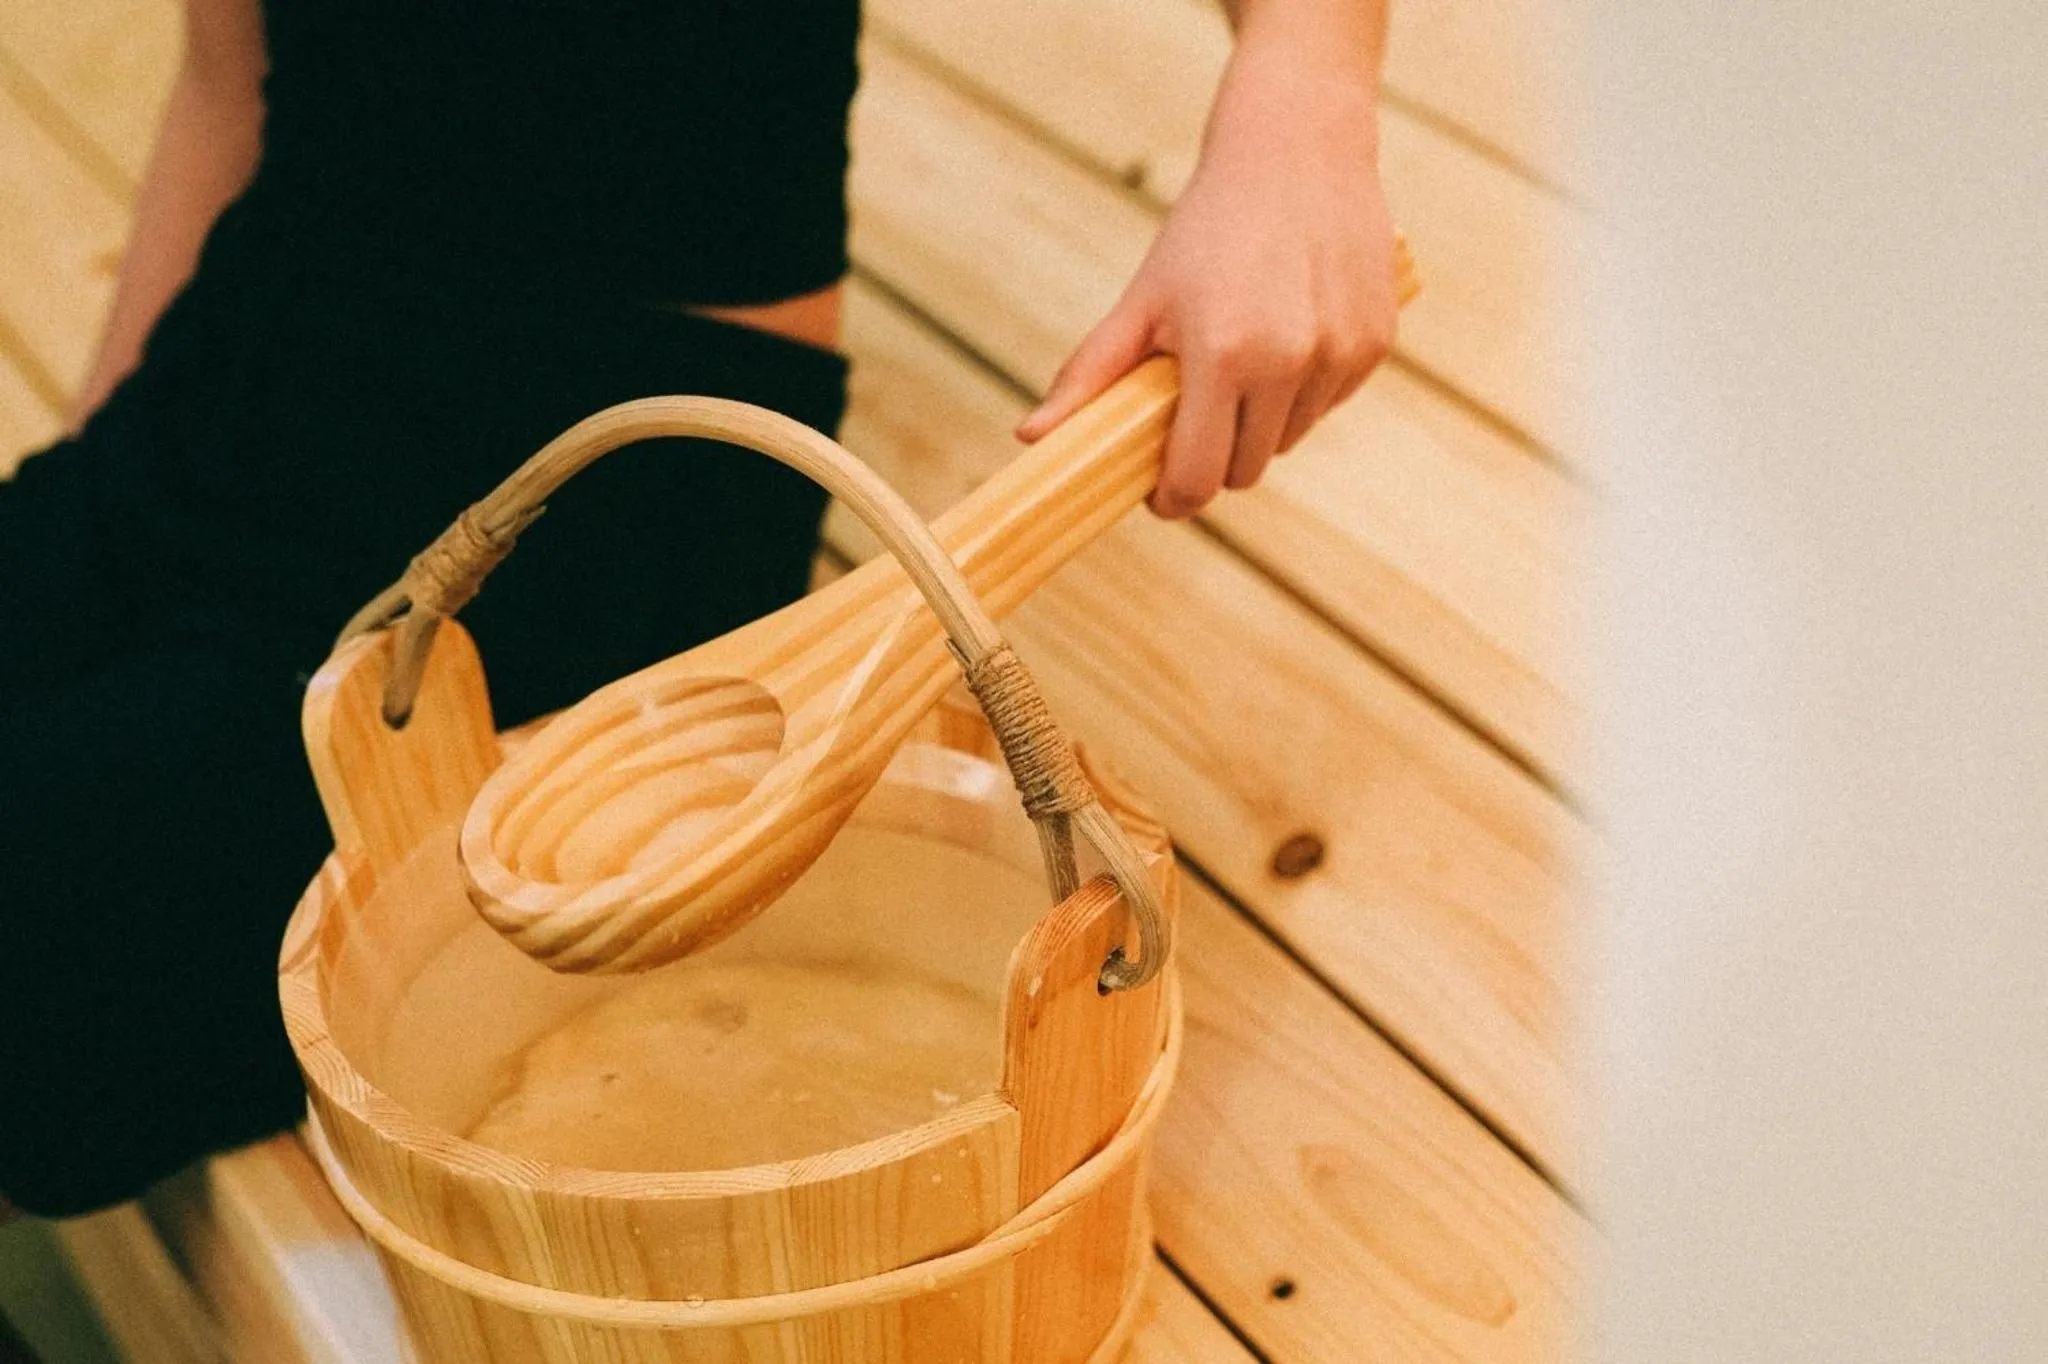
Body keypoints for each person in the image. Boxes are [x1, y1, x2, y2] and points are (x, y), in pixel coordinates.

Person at [0, 0, 1397, 1224]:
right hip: (242, 360)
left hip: (604, 489)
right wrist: (91, 498)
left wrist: (1303, 103)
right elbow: (227, 78)